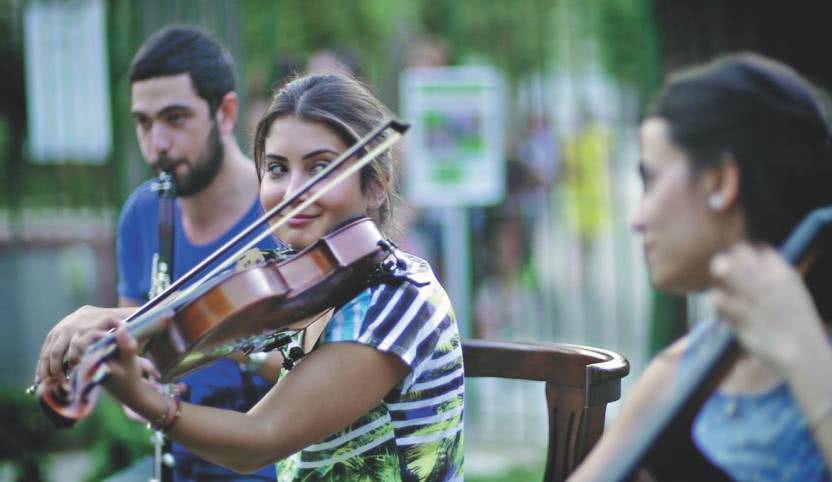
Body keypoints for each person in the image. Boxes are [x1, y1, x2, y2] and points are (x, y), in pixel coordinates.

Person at [42, 73, 466, 481]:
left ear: (375, 186)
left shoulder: (398, 297)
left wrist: (148, 400)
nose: (294, 191)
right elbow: (218, 323)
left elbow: (259, 441)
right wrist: (109, 321)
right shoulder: (313, 279)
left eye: (321, 168)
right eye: (278, 168)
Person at [568, 53, 832, 481]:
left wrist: (803, 352)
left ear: (719, 182)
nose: (637, 219)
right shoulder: (683, 369)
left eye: (650, 180)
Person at [35, 26, 279, 481]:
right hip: (179, 463)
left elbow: (307, 373)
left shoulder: (287, 215)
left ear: (225, 113)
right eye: (143, 123)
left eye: (174, 118)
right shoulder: (142, 214)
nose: (156, 143)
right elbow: (144, 372)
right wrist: (129, 382)